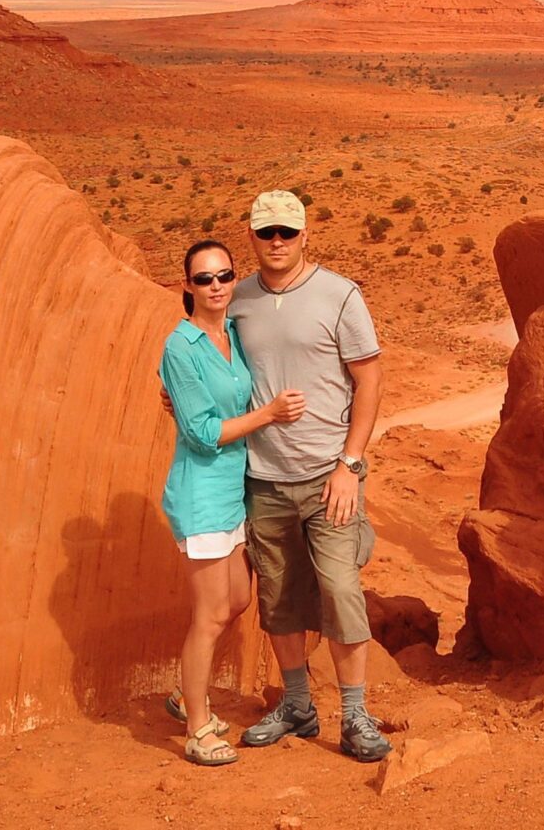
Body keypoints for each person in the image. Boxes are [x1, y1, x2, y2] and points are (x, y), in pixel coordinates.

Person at [225, 190, 391, 763]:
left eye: (286, 233)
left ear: (304, 236)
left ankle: (354, 715)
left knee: (341, 590)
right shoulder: (237, 298)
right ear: (251, 235)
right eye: (266, 232)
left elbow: (368, 381)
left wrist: (350, 465)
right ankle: (296, 704)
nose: (276, 242)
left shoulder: (340, 295)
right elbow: (210, 363)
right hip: (263, 476)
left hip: (328, 476)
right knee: (279, 596)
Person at [159, 238, 305, 767]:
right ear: (188, 287)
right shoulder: (182, 346)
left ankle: (184, 694)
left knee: (238, 601)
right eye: (204, 279)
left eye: (224, 276)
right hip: (199, 493)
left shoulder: (232, 334)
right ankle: (196, 723)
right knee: (210, 613)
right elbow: (200, 433)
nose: (217, 286)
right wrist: (268, 414)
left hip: (232, 490)